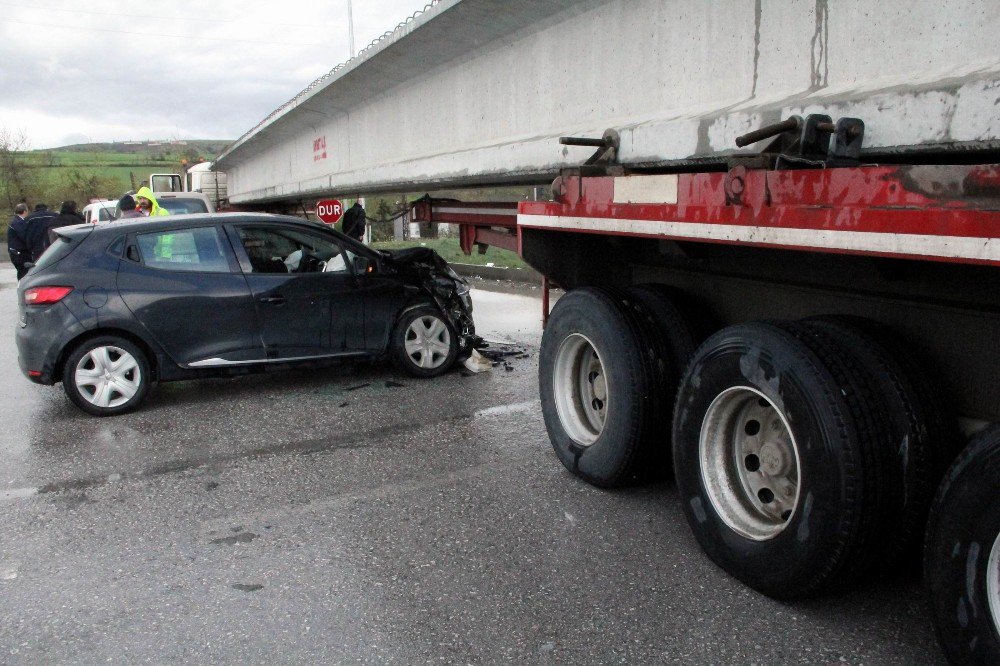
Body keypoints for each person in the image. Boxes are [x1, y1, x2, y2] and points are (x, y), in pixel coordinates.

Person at [7, 203, 30, 279]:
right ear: (24, 211)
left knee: (22, 272)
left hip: (15, 252)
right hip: (19, 254)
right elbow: (25, 236)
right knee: (23, 273)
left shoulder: (15, 221)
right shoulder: (19, 222)